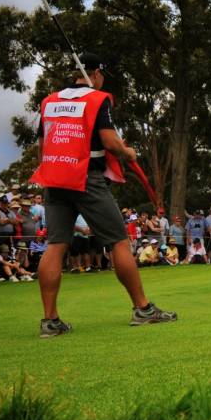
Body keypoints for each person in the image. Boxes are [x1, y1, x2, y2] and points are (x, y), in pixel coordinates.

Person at [29, 52, 175, 337]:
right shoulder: (98, 99)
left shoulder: (49, 101)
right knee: (118, 241)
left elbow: (42, 147)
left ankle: (50, 321)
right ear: (95, 73)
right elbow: (110, 141)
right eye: (102, 75)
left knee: (56, 245)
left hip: (54, 178)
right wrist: (127, 152)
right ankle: (143, 309)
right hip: (86, 177)